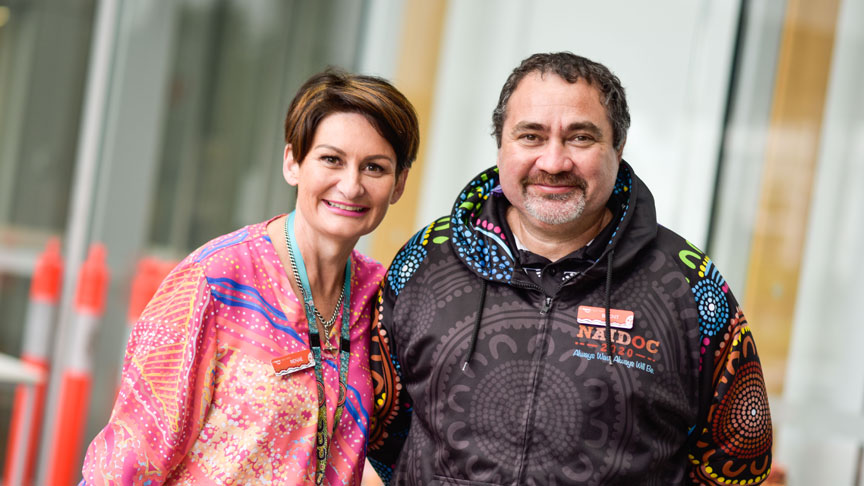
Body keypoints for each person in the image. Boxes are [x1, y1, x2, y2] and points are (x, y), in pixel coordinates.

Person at [367, 52, 772, 485]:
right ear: (501, 143)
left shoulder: (688, 285)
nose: (554, 162)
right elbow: (381, 426)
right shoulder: (429, 259)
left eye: (580, 138)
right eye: (531, 136)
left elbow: (740, 458)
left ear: (618, 148)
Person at [80, 68, 419, 485]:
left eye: (374, 168)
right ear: (293, 162)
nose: (350, 185)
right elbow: (130, 456)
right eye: (331, 159)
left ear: (399, 183)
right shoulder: (215, 281)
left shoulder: (381, 297)